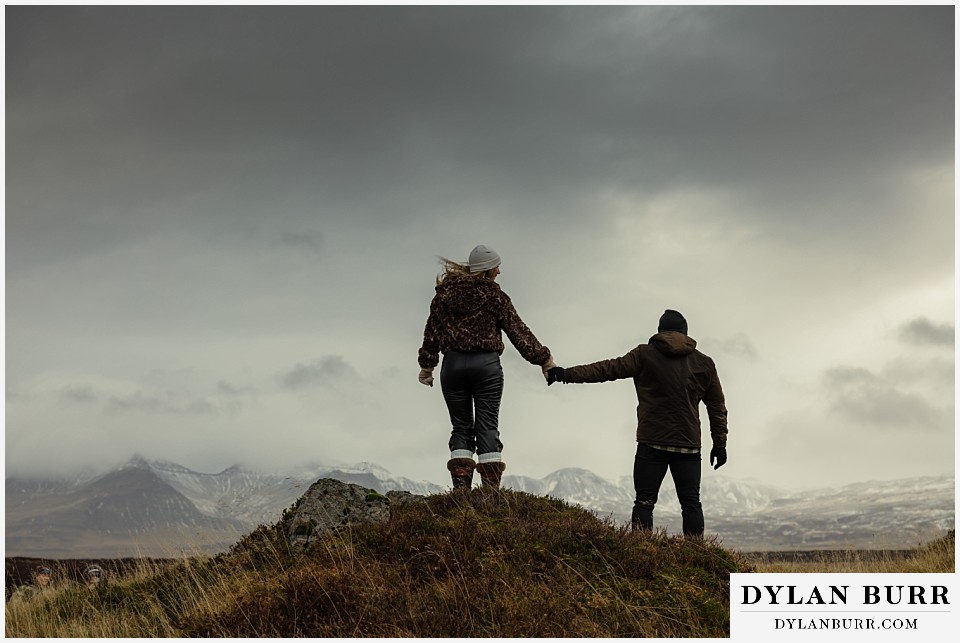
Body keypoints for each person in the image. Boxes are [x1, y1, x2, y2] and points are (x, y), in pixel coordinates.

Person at [547, 309, 727, 537]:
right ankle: (696, 555)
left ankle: (641, 550)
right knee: (691, 504)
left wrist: (565, 374)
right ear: (685, 333)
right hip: (688, 445)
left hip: (652, 442)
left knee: (644, 502)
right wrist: (719, 445)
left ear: (660, 331)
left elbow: (606, 369)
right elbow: (717, 408)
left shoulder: (644, 355)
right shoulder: (704, 363)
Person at [419, 244, 555, 490]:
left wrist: (427, 367)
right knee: (487, 426)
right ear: (486, 269)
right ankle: (490, 494)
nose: (499, 272)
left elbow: (431, 334)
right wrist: (544, 360)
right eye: (496, 267)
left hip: (452, 367)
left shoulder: (442, 298)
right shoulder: (495, 296)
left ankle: (461, 490)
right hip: (486, 367)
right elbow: (519, 332)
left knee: (461, 427)